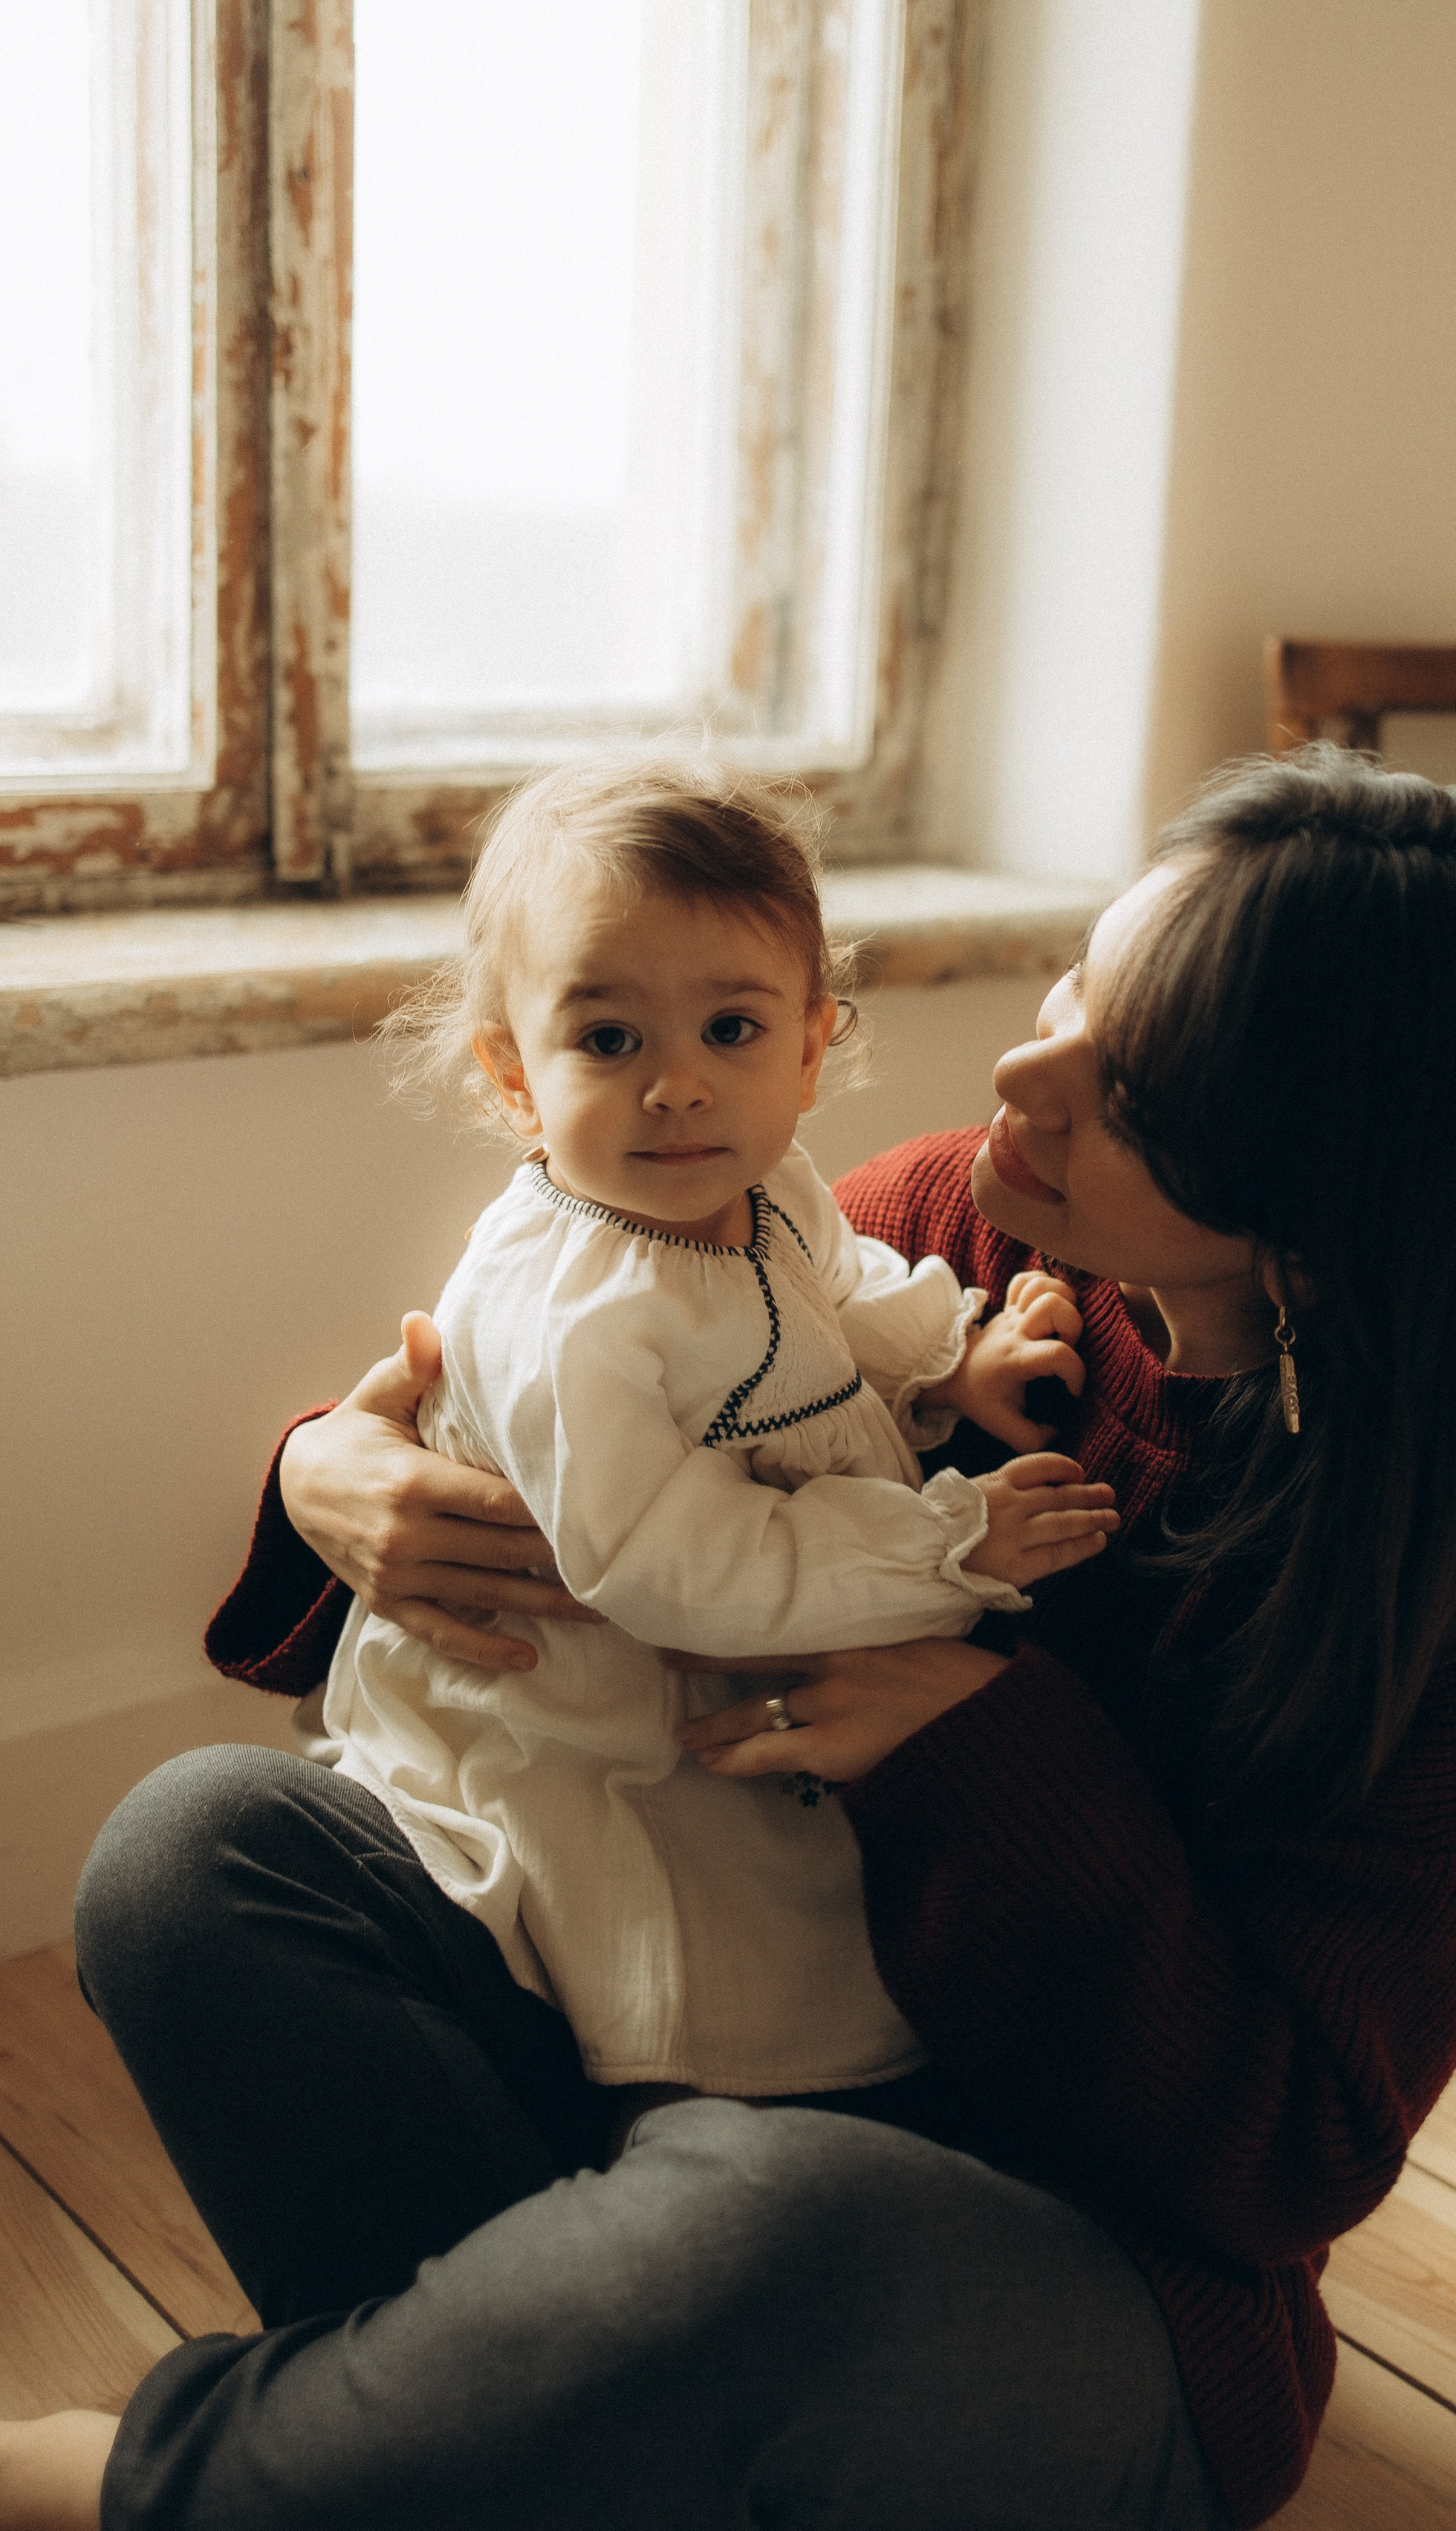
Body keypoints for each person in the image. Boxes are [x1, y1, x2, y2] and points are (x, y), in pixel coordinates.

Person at [0, 748, 1456, 2531]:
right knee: (192, 1857)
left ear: (1328, 1187)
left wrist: (972, 1745)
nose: (1023, 1066)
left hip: (1038, 2262)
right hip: (679, 2040)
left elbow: (1285, 2158)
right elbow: (609, 1418)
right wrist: (333, 1470)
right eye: (1081, 979)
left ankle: (102, 2493)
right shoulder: (944, 1219)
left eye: (1130, 1078)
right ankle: (504, 2459)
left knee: (765, 2228)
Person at [317, 756, 1118, 2097]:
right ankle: (640, 2114)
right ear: (515, 1078)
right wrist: (946, 1546)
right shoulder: (575, 1314)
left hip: (749, 1653)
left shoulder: (761, 1184)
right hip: (601, 1703)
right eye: (610, 1040)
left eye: (731, 1032)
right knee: (695, 1974)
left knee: (829, 1924)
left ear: (812, 1047)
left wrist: (946, 1372)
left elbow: (827, 1303)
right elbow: (671, 1569)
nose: (678, 1088)